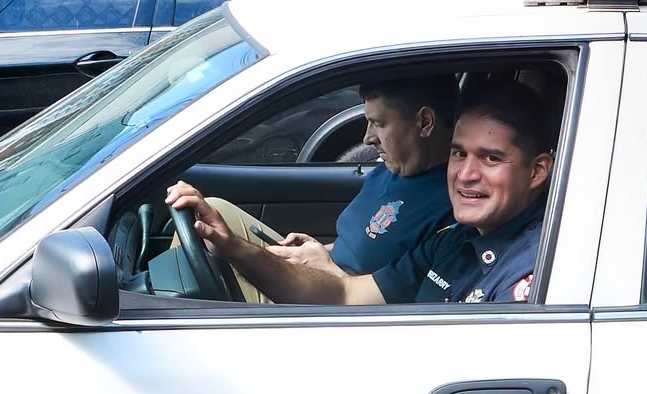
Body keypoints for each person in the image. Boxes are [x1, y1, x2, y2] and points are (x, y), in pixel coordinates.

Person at [166, 79, 554, 305]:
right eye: (459, 153)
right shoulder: (451, 244)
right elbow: (345, 294)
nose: (466, 174)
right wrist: (233, 246)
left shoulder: (537, 269)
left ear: (537, 171)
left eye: (490, 159)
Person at [203, 75, 459, 301]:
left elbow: (380, 294)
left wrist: (328, 270)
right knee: (211, 210)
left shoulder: (453, 206)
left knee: (201, 253)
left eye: (379, 123)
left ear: (425, 122)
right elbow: (370, 243)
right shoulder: (393, 169)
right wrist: (319, 250)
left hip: (328, 303)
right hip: (322, 275)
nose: (367, 138)